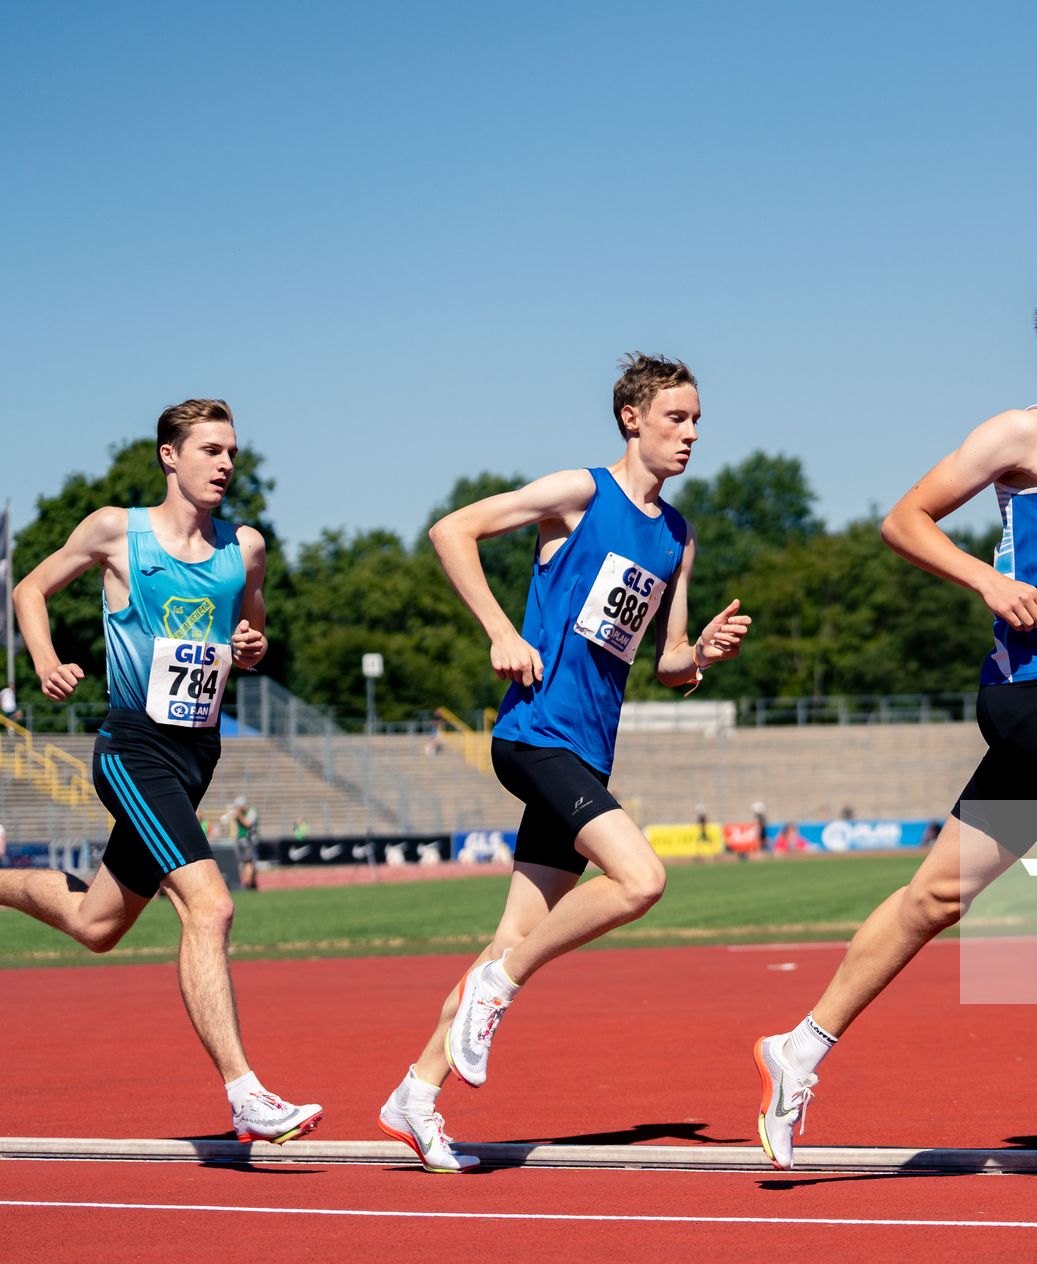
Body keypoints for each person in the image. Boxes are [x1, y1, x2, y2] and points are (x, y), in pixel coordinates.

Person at [753, 275, 1037, 1168]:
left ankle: (799, 1047)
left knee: (935, 897)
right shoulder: (1026, 433)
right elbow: (905, 520)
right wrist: (987, 580)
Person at [377, 353, 751, 1173]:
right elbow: (452, 530)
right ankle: (497, 990)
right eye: (676, 419)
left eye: (696, 422)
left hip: (588, 750)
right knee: (641, 880)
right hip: (535, 733)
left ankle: (417, 1091)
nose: (690, 435)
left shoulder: (678, 535)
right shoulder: (580, 495)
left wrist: (703, 656)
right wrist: (499, 633)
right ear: (632, 419)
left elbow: (669, 664)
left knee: (512, 934)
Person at [4, 399, 323, 1143]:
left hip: (196, 756)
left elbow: (253, 631)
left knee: (96, 923)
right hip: (132, 749)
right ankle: (245, 1093)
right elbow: (29, 590)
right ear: (169, 457)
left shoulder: (243, 547)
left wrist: (250, 644)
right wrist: (48, 662)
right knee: (209, 907)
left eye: (233, 452)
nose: (225, 464)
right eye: (210, 449)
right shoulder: (117, 530)